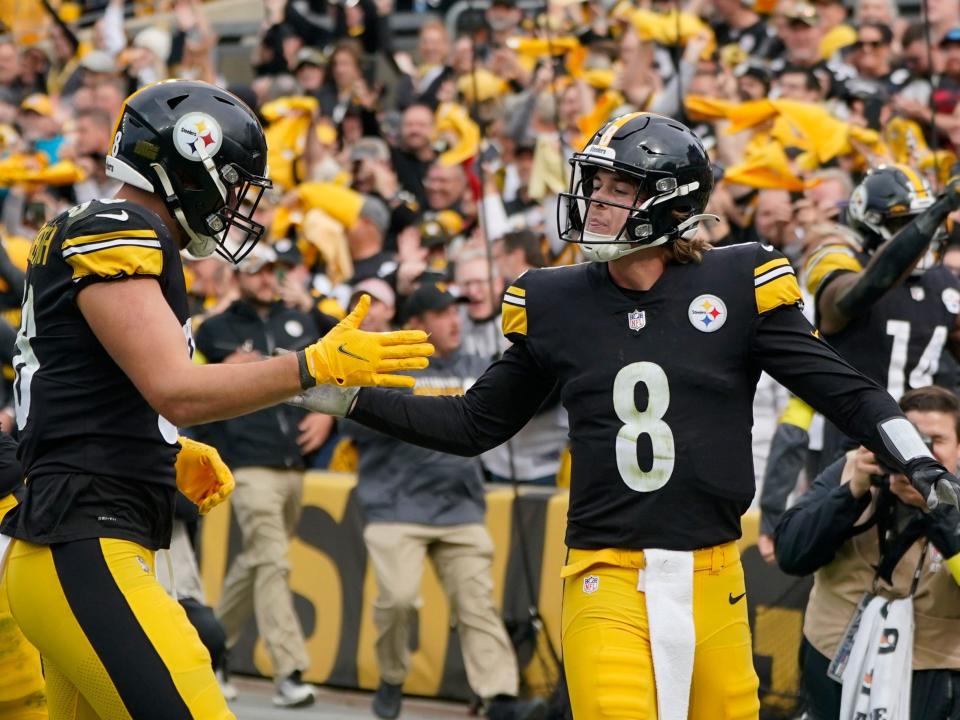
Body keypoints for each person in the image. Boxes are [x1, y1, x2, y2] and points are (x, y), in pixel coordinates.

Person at [291, 112, 960, 719]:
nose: (596, 199)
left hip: (713, 574)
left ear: (669, 201)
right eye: (597, 181)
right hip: (604, 573)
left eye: (618, 186)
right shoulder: (555, 299)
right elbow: (475, 425)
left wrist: (920, 460)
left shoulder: (738, 282)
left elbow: (851, 392)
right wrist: (336, 393)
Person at [0, 79, 433, 718]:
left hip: (76, 541)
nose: (235, 201)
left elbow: (89, 386)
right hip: (84, 543)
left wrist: (156, 445)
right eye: (231, 182)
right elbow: (176, 389)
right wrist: (311, 366)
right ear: (186, 163)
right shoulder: (118, 229)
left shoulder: (92, 227)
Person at [342, 282, 545, 720]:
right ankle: (393, 675)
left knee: (478, 605)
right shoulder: (392, 363)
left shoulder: (479, 364)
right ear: (416, 324)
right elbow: (353, 427)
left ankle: (501, 697)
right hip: (397, 508)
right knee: (397, 600)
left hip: (461, 508)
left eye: (457, 312)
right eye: (441, 313)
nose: (455, 320)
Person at [194, 243, 331, 708]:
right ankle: (288, 671)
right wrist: (219, 372)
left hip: (293, 460)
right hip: (247, 461)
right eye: (256, 270)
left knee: (258, 561)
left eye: (272, 270)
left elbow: (336, 360)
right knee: (272, 560)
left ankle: (211, 648)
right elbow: (185, 384)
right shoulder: (214, 329)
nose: (266, 278)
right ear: (237, 276)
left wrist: (330, 416)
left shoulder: (300, 319)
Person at [775, 386, 960, 719]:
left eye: (937, 441)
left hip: (931, 675)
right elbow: (791, 554)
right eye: (911, 439)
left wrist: (941, 510)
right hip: (833, 661)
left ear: (959, 448)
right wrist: (851, 493)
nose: (920, 454)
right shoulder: (854, 467)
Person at [803, 164, 960, 471]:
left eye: (925, 219)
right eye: (906, 222)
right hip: (853, 442)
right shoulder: (838, 257)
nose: (922, 232)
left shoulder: (945, 282)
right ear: (871, 223)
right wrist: (940, 207)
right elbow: (854, 297)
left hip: (921, 442)